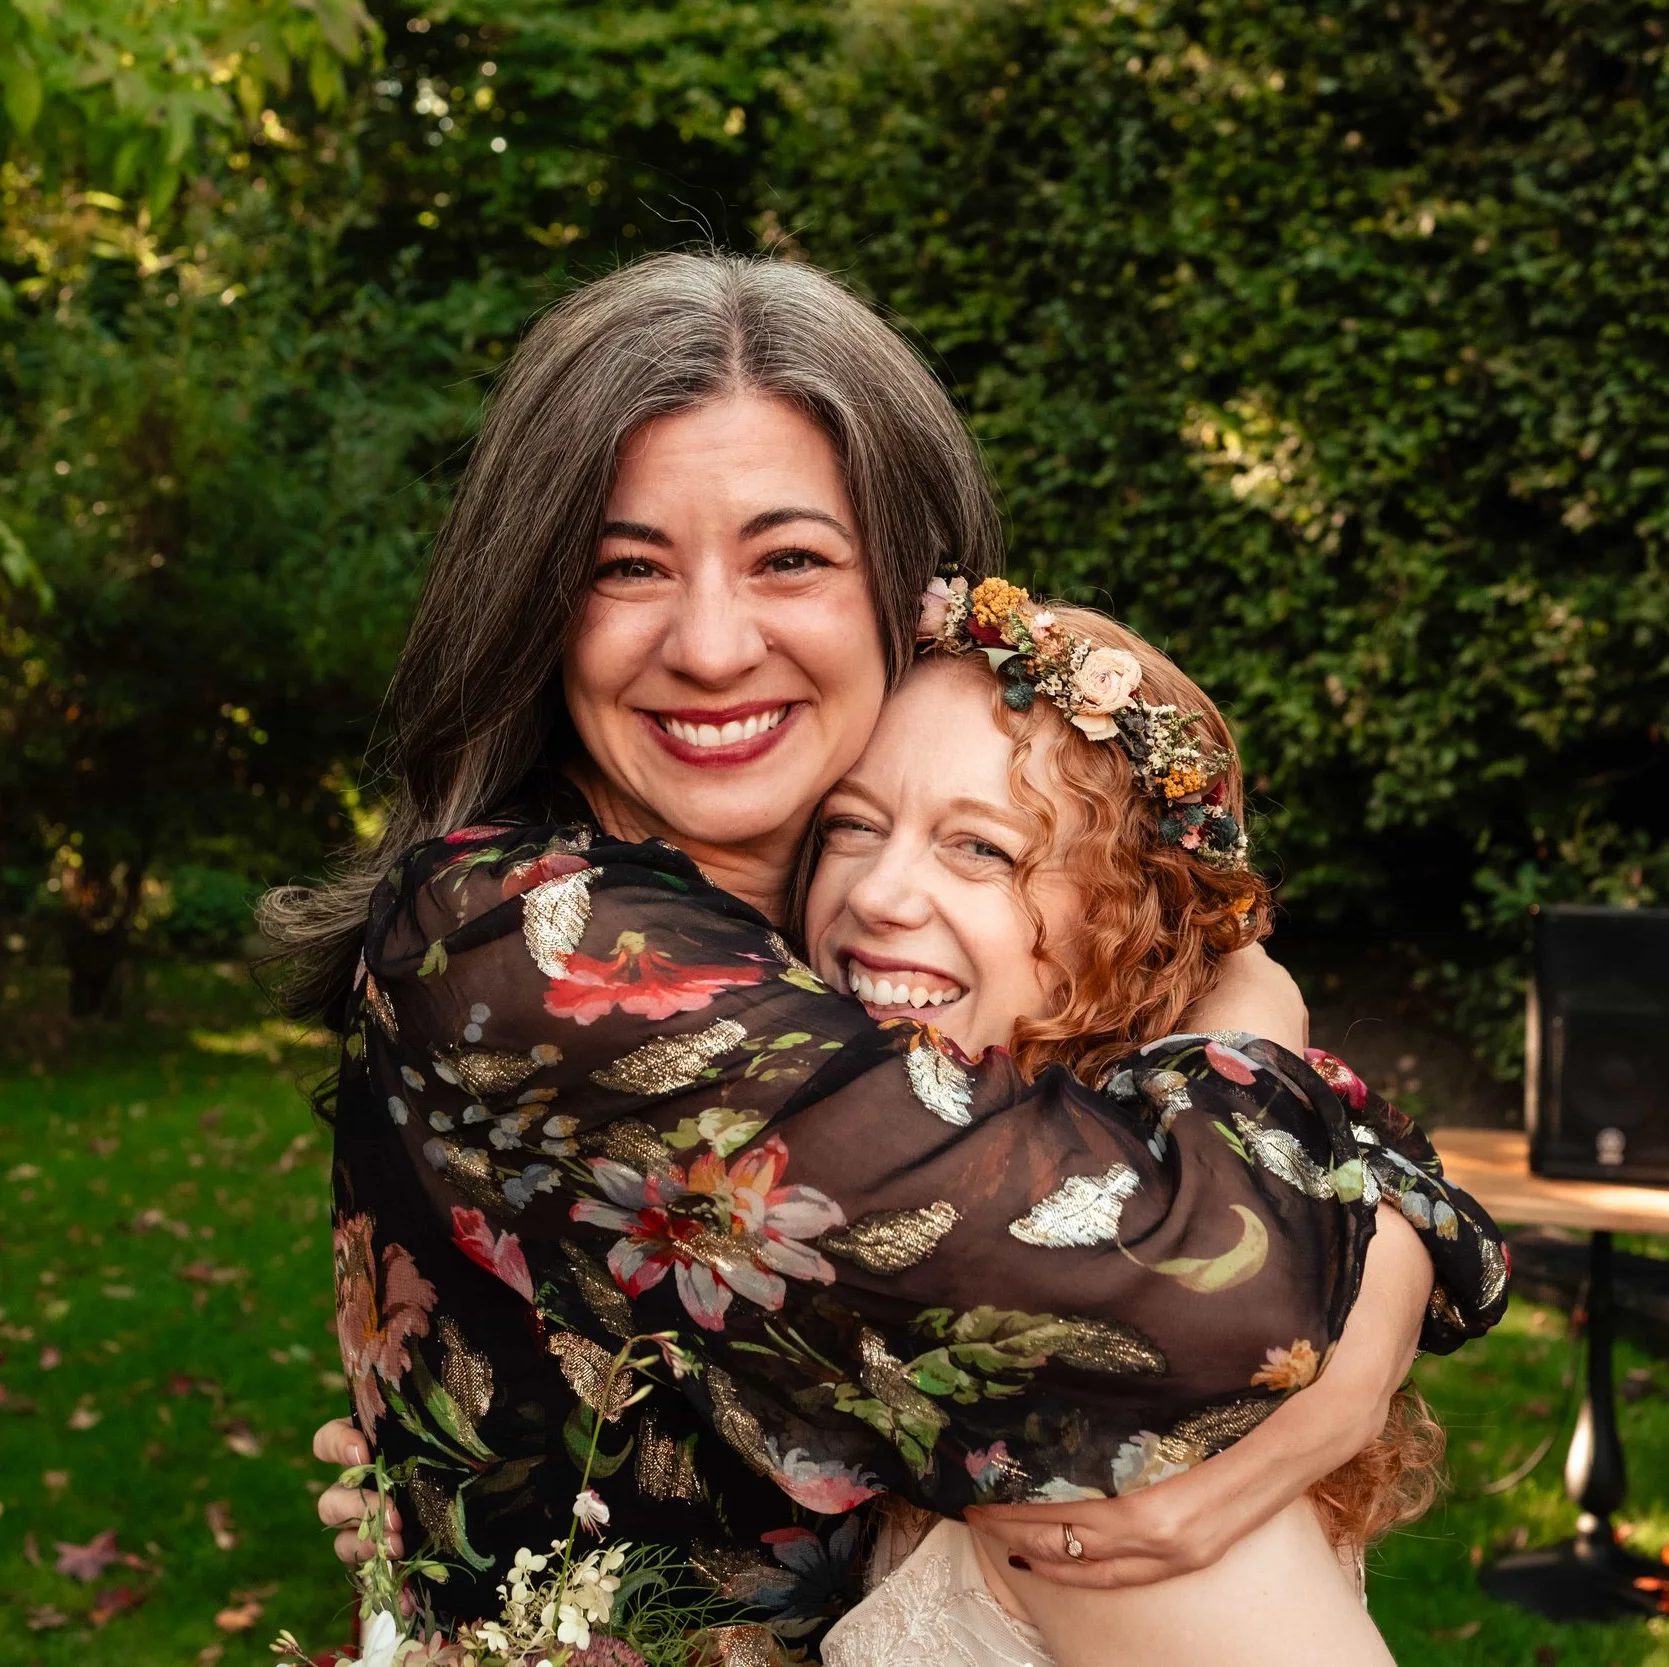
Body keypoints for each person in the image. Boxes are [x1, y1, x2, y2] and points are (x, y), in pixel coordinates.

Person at [264, 251, 1506, 1657]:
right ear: (536, 602)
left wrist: (1378, 1293)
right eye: (627, 564)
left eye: (790, 557)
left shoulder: (824, 949)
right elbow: (1177, 1286)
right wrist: (1268, 1039)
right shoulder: (534, 932)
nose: (714, 642)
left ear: (910, 593)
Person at [807, 588, 1463, 1667]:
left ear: (1130, 929)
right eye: (850, 824)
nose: (878, 892)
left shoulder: (1111, 1401)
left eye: (979, 847)